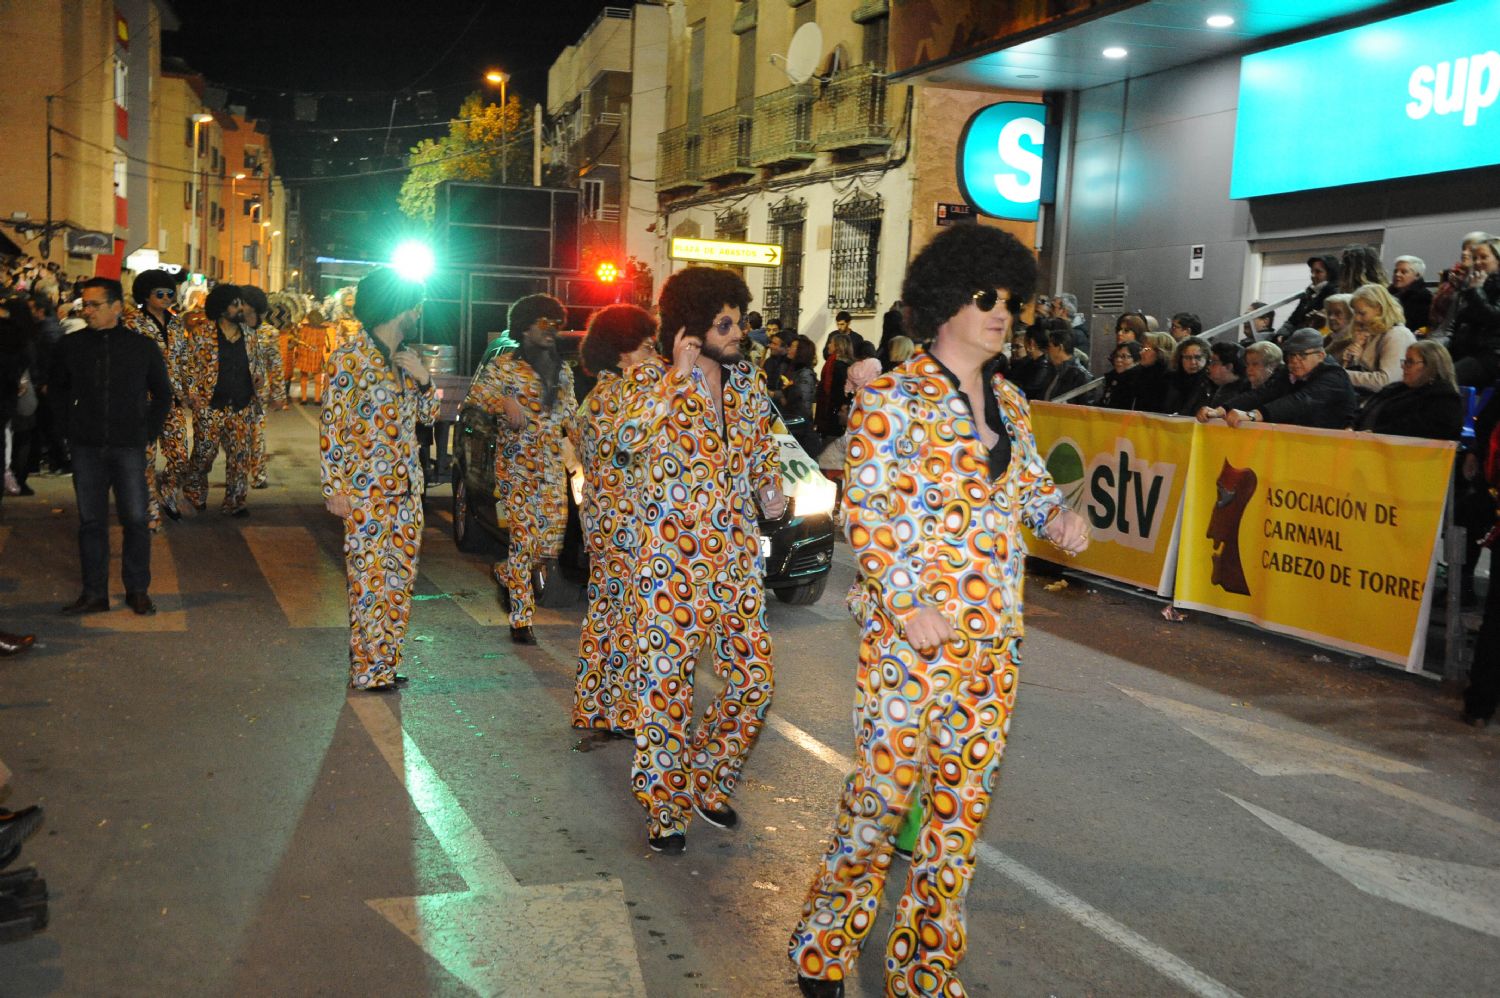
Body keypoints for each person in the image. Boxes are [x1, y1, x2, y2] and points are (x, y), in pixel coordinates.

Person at [788, 224, 1089, 998]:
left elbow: (1024, 494)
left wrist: (1059, 519)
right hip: (910, 641)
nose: (1003, 313)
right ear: (947, 301)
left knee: (959, 816)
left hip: (997, 645)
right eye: (987, 298)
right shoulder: (889, 395)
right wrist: (907, 600)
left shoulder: (1015, 403)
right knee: (882, 800)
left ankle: (925, 970)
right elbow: (868, 513)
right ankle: (823, 943)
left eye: (1011, 301)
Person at [615, 266, 785, 855]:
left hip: (736, 562)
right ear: (690, 328)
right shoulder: (649, 382)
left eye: (740, 318)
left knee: (755, 685)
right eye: (725, 322)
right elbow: (624, 444)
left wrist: (771, 491)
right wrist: (676, 381)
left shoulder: (747, 384)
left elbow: (764, 448)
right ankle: (665, 808)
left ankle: (708, 778)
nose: (740, 331)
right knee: (666, 691)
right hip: (671, 570)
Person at [319, 267, 437, 692]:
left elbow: (427, 420)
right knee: (369, 580)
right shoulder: (349, 358)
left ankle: (385, 661)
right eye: (414, 303)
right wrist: (334, 488)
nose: (419, 311)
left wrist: (425, 382)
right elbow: (332, 426)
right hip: (365, 492)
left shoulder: (408, 358)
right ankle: (367, 668)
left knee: (399, 579)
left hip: (407, 491)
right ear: (396, 306)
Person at [51, 278, 171, 616]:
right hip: (86, 446)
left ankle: (137, 589)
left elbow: (162, 394)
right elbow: (57, 390)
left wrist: (146, 432)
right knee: (91, 522)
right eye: (84, 305)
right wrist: (66, 429)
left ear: (117, 307)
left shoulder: (141, 347)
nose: (86, 311)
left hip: (129, 447)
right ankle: (94, 594)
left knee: (135, 519)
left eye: (94, 305)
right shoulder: (71, 346)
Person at [464, 294, 577, 645]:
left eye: (556, 324)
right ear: (526, 327)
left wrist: (586, 447)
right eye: (545, 323)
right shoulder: (504, 367)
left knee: (549, 546)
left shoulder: (562, 371)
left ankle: (504, 573)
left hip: (552, 466)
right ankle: (521, 620)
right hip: (516, 466)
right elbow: (474, 403)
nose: (552, 331)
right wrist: (503, 401)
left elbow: (573, 415)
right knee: (524, 540)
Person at [569, 304, 658, 737]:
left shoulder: (596, 397)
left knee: (606, 611)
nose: (655, 356)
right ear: (623, 352)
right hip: (630, 524)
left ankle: (594, 704)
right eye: (647, 347)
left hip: (604, 521)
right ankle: (624, 711)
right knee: (631, 616)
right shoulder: (627, 396)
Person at [183, 285, 269, 517]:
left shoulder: (250, 335)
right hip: (211, 406)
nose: (241, 308)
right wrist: (193, 396)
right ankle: (194, 491)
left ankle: (235, 501)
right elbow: (189, 367)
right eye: (235, 304)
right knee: (204, 454)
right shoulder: (202, 334)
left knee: (240, 457)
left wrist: (260, 380)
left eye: (241, 303)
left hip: (242, 405)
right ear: (222, 308)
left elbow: (258, 363)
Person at [123, 271, 191, 527]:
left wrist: (188, 391)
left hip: (171, 402)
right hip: (142, 402)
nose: (166, 298)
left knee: (181, 458)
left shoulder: (177, 323)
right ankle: (150, 511)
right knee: (145, 460)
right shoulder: (132, 323)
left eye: (169, 293)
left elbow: (184, 361)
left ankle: (169, 494)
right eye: (159, 293)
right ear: (146, 295)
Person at [1204, 328, 1358, 430]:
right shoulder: (1289, 373)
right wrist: (1221, 410)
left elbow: (1299, 401)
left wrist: (1253, 415)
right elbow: (1262, 394)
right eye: (1291, 355)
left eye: (1302, 355)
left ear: (1321, 356)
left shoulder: (1334, 377)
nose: (1295, 361)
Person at [1353, 340, 1463, 440]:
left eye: (1410, 362)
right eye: (1405, 361)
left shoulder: (1444, 399)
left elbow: (1415, 430)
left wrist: (1375, 434)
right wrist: (1351, 425)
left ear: (1431, 366)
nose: (1404, 366)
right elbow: (1365, 409)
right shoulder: (1395, 389)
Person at [237, 286, 288, 489]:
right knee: (238, 436)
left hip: (259, 393)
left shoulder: (269, 333)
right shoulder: (233, 330)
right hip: (233, 391)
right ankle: (238, 474)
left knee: (257, 433)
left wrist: (279, 394)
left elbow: (275, 364)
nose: (241, 306)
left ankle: (258, 474)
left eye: (245, 302)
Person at [1342, 283, 1416, 395]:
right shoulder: (1370, 333)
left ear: (1379, 309)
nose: (1356, 318)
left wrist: (1341, 374)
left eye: (1362, 313)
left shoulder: (1397, 335)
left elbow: (1386, 381)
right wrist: (1353, 358)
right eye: (1355, 313)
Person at [1450, 234, 1500, 387]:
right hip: (1470, 350)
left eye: (1483, 257)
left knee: (1446, 380)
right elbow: (1461, 321)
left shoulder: (1478, 286)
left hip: (1493, 354)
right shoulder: (1478, 283)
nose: (1478, 262)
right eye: (1475, 258)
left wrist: (1475, 291)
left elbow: (1494, 318)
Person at [774, 335, 821, 456]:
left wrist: (785, 397)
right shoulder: (793, 371)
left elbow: (804, 406)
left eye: (793, 347)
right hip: (794, 428)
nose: (789, 349)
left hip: (800, 434)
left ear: (801, 351)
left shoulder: (805, 374)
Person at [1274, 255, 1340, 339]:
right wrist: (1282, 334)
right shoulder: (1309, 293)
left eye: (1318, 272)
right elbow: (1294, 319)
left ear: (1330, 274)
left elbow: (1328, 328)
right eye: (1312, 271)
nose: (1313, 275)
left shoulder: (1335, 296)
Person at [816, 332, 852, 448]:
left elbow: (835, 391)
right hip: (833, 413)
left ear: (837, 346)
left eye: (830, 343)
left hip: (833, 414)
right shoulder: (839, 364)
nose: (828, 346)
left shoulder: (837, 366)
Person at [1160, 335, 1213, 415]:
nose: (1193, 362)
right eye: (1187, 358)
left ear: (1207, 358)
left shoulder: (1212, 382)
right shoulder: (1169, 379)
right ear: (1180, 359)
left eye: (1198, 357)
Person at [1041, 325, 1090, 401]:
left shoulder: (1080, 375)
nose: (1047, 351)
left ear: (1060, 348)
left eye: (1049, 347)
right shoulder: (1053, 370)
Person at [1130, 331, 1175, 411]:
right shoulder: (1139, 374)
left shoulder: (1170, 378)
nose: (1141, 353)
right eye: (1142, 349)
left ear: (1160, 352)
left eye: (1146, 349)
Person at [1389, 255, 1433, 334]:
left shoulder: (1424, 297)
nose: (1397, 274)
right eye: (1395, 271)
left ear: (1417, 275)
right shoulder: (1387, 293)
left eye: (1403, 272)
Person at [1203, 341, 1250, 411]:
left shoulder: (1245, 394)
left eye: (1213, 362)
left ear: (1229, 367)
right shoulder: (1214, 386)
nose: (1208, 367)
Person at [1097, 340, 1140, 408]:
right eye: (1116, 356)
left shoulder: (1138, 383)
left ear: (1136, 360)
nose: (1118, 360)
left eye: (1124, 356)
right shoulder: (1112, 378)